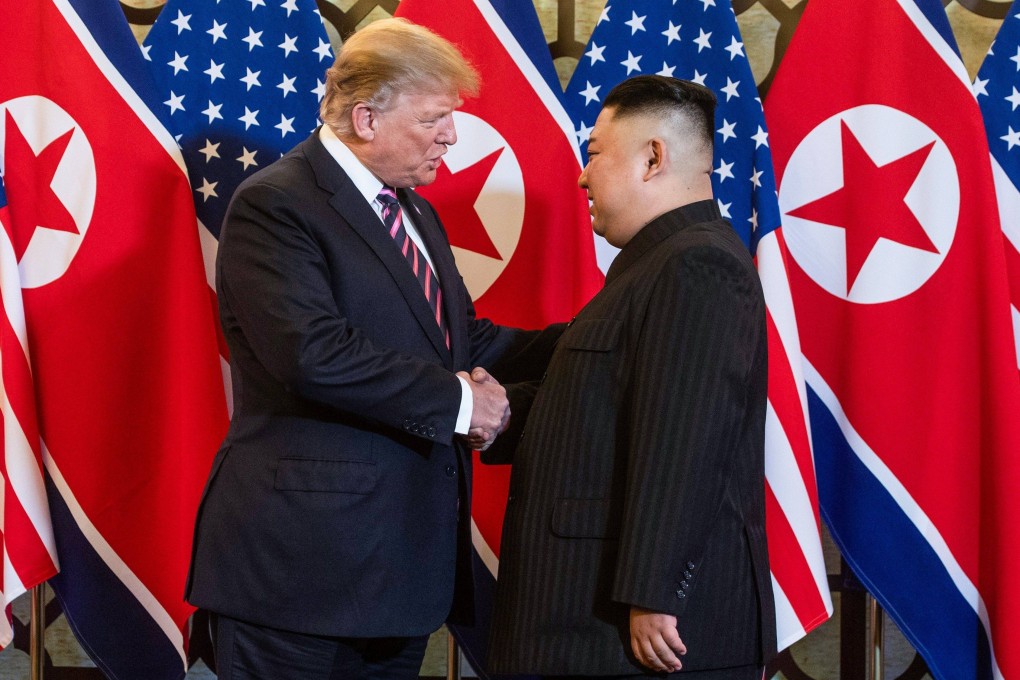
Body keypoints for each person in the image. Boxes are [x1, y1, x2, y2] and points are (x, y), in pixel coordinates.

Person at [185, 18, 558, 679]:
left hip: (397, 578)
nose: (452, 135)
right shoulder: (276, 204)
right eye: (435, 118)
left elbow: (459, 338)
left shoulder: (413, 209)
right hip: (300, 575)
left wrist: (596, 340)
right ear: (366, 118)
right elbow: (312, 353)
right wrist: (462, 405)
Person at [481, 75, 776, 679]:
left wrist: (654, 591)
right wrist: (500, 412)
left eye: (593, 153)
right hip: (591, 631)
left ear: (652, 158)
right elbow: (606, 404)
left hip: (639, 636)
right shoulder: (654, 265)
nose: (582, 176)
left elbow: (687, 440)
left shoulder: (697, 263)